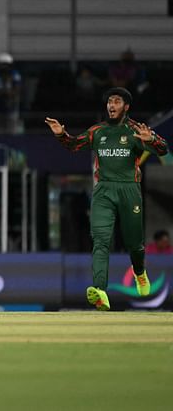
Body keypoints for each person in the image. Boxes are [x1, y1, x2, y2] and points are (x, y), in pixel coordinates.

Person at [45, 87, 168, 310]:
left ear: (126, 106)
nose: (111, 105)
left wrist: (152, 140)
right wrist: (60, 134)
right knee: (100, 240)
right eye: (110, 101)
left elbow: (163, 149)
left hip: (129, 189)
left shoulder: (135, 130)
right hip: (103, 190)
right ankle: (100, 290)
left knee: (134, 244)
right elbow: (74, 145)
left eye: (117, 101)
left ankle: (139, 272)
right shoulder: (97, 131)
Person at [0, 52, 22, 134]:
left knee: (12, 133)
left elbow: (16, 91)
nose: (3, 67)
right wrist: (4, 92)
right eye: (1, 64)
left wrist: (5, 92)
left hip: (11, 109)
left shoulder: (15, 75)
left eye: (5, 64)